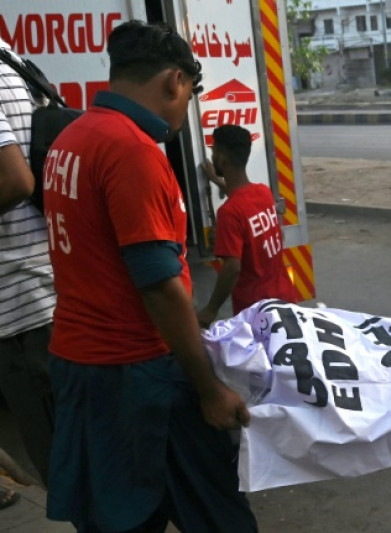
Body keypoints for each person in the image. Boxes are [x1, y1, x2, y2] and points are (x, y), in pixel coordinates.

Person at [43, 21, 257, 531]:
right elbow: (159, 287)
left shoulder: (71, 138)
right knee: (220, 516)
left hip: (81, 365)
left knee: (116, 516)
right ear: (173, 82)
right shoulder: (133, 151)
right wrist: (208, 389)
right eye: (190, 91)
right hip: (138, 372)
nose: (186, 106)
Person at [0, 37, 56, 491]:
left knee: (64, 468)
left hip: (20, 303)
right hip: (52, 285)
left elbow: (16, 180)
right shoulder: (15, 62)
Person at [197, 124, 299, 328]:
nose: (213, 156)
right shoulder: (263, 192)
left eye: (214, 151)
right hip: (284, 299)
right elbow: (241, 198)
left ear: (223, 158)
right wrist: (217, 181)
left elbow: (232, 268)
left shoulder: (229, 213)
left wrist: (210, 310)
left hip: (255, 313)